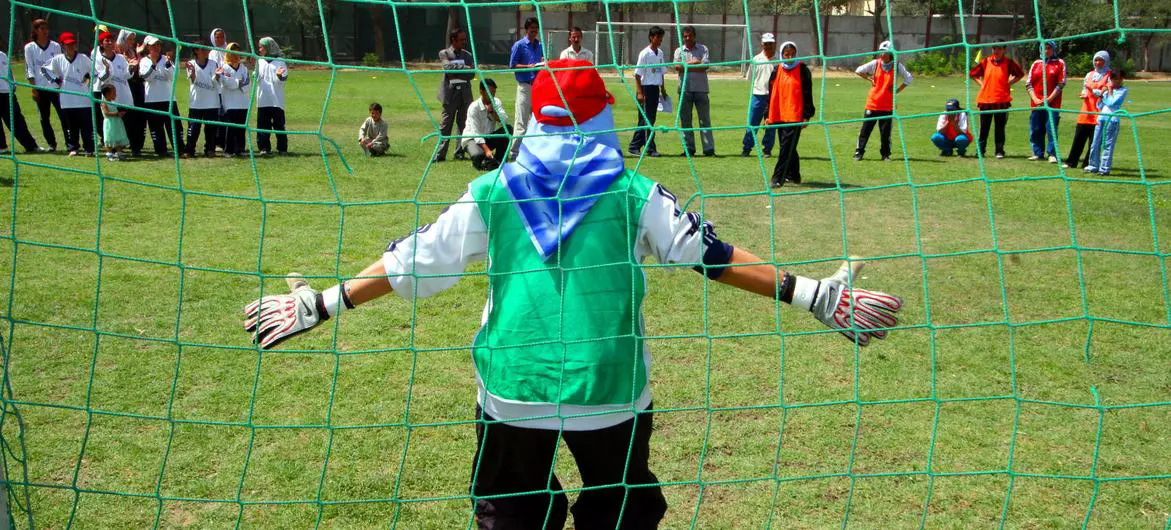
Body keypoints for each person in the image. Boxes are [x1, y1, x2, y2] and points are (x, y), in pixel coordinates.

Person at [242, 58, 903, 529]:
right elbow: (711, 255)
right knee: (621, 507)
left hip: (511, 388)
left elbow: (410, 264)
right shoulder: (633, 192)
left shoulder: (491, 190)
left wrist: (318, 303)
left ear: (535, 117)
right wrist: (812, 294)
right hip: (610, 389)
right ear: (599, 119)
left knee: (508, 511)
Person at [765, 41, 814, 187]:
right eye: (787, 54)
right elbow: (771, 93)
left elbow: (807, 93)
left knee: (786, 147)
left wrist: (807, 115)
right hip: (779, 113)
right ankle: (794, 175)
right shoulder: (776, 70)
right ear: (781, 54)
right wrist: (767, 114)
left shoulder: (802, 70)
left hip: (795, 115)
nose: (790, 57)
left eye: (792, 54)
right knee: (787, 146)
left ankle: (777, 177)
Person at [853, 40, 911, 162]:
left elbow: (908, 78)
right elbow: (858, 70)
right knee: (865, 130)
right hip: (872, 103)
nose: (882, 55)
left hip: (887, 106)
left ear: (890, 53)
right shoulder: (875, 63)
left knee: (885, 133)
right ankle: (859, 153)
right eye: (880, 52)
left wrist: (896, 91)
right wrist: (869, 78)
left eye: (884, 52)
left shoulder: (897, 66)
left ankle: (885, 155)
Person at [969, 40, 1024, 159]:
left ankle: (999, 151)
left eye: (999, 48)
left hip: (1001, 100)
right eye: (994, 48)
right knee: (984, 127)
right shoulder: (986, 61)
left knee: (1000, 127)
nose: (996, 51)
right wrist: (982, 84)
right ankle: (980, 150)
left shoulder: (1009, 63)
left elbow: (1020, 74)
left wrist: (1009, 83)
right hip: (985, 100)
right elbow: (973, 74)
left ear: (1004, 50)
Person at [41, 32, 94, 156]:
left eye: (73, 44)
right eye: (68, 45)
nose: (71, 47)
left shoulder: (83, 58)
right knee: (71, 127)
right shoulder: (57, 60)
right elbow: (44, 69)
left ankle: (89, 149)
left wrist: (87, 80)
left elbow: (94, 72)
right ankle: (73, 148)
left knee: (86, 128)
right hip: (67, 101)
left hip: (84, 100)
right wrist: (56, 80)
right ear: (62, 46)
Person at [1064, 51, 1112, 169]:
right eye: (1096, 60)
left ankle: (1089, 163)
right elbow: (1085, 89)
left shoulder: (1110, 75)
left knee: (1094, 141)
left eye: (1101, 60)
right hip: (1086, 111)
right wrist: (1084, 94)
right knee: (1078, 139)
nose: (1098, 62)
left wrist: (1097, 92)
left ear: (1106, 61)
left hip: (1099, 113)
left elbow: (1107, 92)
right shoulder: (1089, 74)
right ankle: (1071, 162)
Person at [434, 28, 474, 163]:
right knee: (445, 125)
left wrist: (458, 70)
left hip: (465, 94)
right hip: (450, 94)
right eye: (461, 40)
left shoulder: (468, 55)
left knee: (463, 124)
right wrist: (465, 69)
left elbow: (472, 73)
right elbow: (448, 69)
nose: (464, 42)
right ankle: (440, 154)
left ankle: (459, 152)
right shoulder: (444, 53)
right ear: (453, 40)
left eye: (465, 39)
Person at [673, 26, 715, 157]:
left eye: (689, 35)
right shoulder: (679, 50)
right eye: (685, 36)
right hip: (684, 89)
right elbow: (677, 67)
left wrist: (687, 65)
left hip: (701, 90)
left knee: (705, 120)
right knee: (685, 121)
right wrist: (695, 62)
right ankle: (689, 149)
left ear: (694, 36)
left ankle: (708, 149)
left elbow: (704, 66)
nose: (687, 38)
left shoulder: (703, 48)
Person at [23, 19, 64, 152]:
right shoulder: (29, 48)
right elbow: (30, 69)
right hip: (41, 88)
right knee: (44, 118)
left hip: (55, 88)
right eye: (42, 28)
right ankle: (52, 144)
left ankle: (71, 143)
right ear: (35, 30)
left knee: (64, 116)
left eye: (46, 28)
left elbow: (59, 67)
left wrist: (59, 86)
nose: (45, 31)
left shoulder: (55, 46)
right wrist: (34, 88)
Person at [140, 35, 182, 156]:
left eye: (158, 44)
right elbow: (147, 77)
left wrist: (168, 64)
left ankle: (179, 149)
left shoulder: (166, 59)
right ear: (148, 47)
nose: (157, 47)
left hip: (168, 99)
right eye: (153, 45)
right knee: (156, 127)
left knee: (174, 126)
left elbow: (174, 77)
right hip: (152, 100)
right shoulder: (144, 61)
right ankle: (161, 150)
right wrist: (153, 64)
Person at [628, 26, 666, 157]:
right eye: (658, 37)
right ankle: (636, 146)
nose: (660, 40)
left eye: (661, 37)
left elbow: (661, 72)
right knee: (645, 119)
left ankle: (648, 147)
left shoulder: (660, 53)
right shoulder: (644, 53)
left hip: (655, 89)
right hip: (645, 88)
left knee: (651, 119)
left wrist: (663, 89)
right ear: (651, 37)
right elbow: (637, 74)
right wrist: (640, 92)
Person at [508, 17, 543, 160]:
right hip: (524, 87)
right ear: (526, 29)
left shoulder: (540, 45)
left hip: (537, 87)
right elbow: (512, 65)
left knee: (536, 121)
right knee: (521, 122)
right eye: (532, 28)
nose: (534, 30)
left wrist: (541, 63)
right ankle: (514, 153)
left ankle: (532, 153)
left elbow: (540, 61)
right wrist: (527, 67)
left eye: (536, 28)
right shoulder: (519, 45)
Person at [1025, 40, 1066, 163]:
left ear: (1053, 49)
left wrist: (1049, 99)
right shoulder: (1036, 64)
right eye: (1044, 48)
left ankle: (1052, 154)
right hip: (1036, 103)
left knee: (1051, 128)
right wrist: (1035, 99)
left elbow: (1061, 84)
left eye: (1049, 48)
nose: (1046, 50)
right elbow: (1028, 83)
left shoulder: (1060, 63)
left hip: (1052, 104)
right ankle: (1038, 152)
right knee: (1036, 128)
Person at [95, 33, 134, 152]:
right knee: (110, 122)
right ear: (101, 43)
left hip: (123, 93)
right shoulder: (98, 59)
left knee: (125, 122)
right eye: (106, 41)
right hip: (109, 96)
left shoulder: (121, 58)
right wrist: (106, 69)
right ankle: (111, 146)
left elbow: (127, 75)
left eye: (111, 40)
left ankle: (122, 145)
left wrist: (131, 68)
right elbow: (102, 78)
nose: (110, 43)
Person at [461, 78, 511, 171]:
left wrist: (492, 111)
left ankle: (499, 161)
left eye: (494, 92)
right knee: (478, 155)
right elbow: (476, 134)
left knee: (508, 130)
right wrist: (487, 150)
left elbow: (504, 121)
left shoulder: (496, 102)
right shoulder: (474, 107)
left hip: (488, 137)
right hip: (472, 139)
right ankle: (480, 161)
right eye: (490, 92)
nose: (492, 95)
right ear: (481, 91)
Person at [0, 45, 42, 154]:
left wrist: (13, 84)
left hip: (7, 92)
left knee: (17, 120)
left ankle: (31, 146)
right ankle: (2, 147)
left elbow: (8, 71)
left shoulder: (3, 55)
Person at [1085, 71, 1127, 175]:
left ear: (1122, 79)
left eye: (1118, 79)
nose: (1115, 81)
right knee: (1095, 143)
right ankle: (1093, 165)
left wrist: (1109, 90)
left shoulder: (1123, 90)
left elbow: (1112, 102)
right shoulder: (1106, 90)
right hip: (1101, 118)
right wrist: (1100, 95)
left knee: (1108, 144)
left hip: (1112, 120)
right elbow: (1099, 105)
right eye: (1113, 79)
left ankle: (1104, 169)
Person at [742, 32, 777, 158]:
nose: (768, 46)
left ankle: (767, 150)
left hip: (773, 97)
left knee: (771, 124)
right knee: (752, 123)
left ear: (774, 44)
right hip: (757, 96)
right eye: (766, 44)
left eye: (770, 44)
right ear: (762, 44)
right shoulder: (756, 59)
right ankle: (746, 149)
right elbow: (750, 78)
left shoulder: (779, 59)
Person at [184, 40, 220, 157]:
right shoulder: (191, 63)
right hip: (196, 102)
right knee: (193, 128)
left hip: (212, 102)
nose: (205, 51)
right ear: (196, 51)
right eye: (202, 49)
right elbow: (193, 80)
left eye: (206, 48)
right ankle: (189, 150)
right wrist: (193, 72)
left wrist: (218, 76)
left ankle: (210, 149)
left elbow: (215, 82)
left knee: (211, 129)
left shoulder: (213, 63)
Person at [116, 29, 148, 156]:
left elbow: (139, 68)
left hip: (138, 86)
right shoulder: (118, 53)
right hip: (126, 87)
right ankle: (126, 143)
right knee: (128, 116)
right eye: (130, 39)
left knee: (140, 115)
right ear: (123, 39)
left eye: (133, 39)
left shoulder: (134, 51)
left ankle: (137, 145)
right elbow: (127, 68)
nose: (132, 41)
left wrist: (139, 55)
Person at [256, 36, 289, 155]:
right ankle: (264, 148)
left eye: (261, 47)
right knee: (262, 125)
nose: (259, 50)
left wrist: (280, 75)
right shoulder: (259, 61)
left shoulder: (280, 61)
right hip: (263, 100)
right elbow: (257, 77)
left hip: (276, 100)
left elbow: (283, 78)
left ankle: (282, 148)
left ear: (268, 48)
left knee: (279, 125)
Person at [218, 42, 250, 157]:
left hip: (243, 103)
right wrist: (238, 82)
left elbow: (247, 85)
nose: (236, 55)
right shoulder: (224, 67)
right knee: (230, 128)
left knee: (241, 128)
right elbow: (227, 83)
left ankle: (240, 149)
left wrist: (235, 82)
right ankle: (228, 150)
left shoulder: (244, 68)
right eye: (233, 52)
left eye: (237, 52)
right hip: (229, 103)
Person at [89, 25, 111, 141]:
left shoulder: (113, 49)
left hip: (109, 87)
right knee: (97, 115)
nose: (98, 34)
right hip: (96, 86)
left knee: (109, 113)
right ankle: (104, 137)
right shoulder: (94, 51)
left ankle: (110, 138)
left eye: (101, 32)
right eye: (96, 33)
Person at [100, 84, 128, 161]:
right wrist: (117, 114)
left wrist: (121, 113)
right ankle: (109, 154)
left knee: (117, 138)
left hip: (116, 123)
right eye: (114, 93)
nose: (115, 94)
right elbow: (106, 113)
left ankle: (119, 152)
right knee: (110, 138)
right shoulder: (104, 103)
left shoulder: (113, 102)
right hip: (109, 123)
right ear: (107, 94)